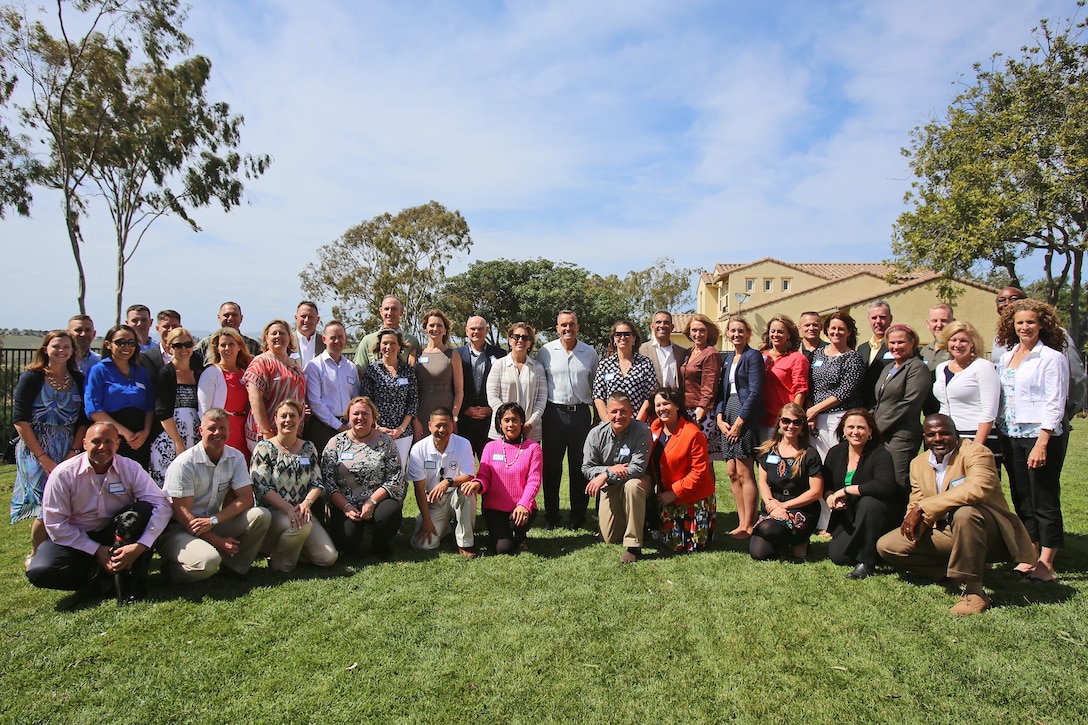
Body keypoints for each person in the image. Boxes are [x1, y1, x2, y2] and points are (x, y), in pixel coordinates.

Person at [877, 415, 1041, 615]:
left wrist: (923, 508)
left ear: (956, 434)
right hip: (947, 530)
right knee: (888, 546)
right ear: (925, 438)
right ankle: (952, 574)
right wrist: (917, 519)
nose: (938, 438)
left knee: (965, 513)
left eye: (944, 433)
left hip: (989, 531)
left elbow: (977, 489)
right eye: (931, 435)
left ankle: (974, 592)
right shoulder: (918, 464)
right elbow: (916, 499)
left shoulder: (977, 453)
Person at [25, 422, 171, 600]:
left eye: (109, 442)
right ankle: (95, 580)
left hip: (116, 533)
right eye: (96, 442)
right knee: (41, 571)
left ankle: (132, 574)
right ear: (85, 444)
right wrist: (96, 550)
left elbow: (161, 504)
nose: (102, 447)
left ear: (117, 444)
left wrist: (142, 545)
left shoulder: (131, 468)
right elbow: (56, 524)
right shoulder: (63, 474)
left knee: (144, 509)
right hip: (77, 537)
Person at [995, 299, 1069, 582]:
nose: (1025, 327)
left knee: (1044, 498)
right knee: (1022, 497)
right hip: (1011, 434)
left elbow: (1055, 402)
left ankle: (1047, 563)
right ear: (1012, 327)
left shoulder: (1051, 358)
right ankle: (1030, 554)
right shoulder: (1007, 356)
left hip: (1039, 436)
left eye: (1030, 322)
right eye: (1020, 323)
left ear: (1042, 325)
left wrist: (1043, 441)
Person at [158, 409, 272, 582]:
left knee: (261, 515)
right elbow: (182, 514)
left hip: (209, 522)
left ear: (229, 430)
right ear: (201, 431)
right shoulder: (184, 464)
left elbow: (246, 498)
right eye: (211, 428)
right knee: (209, 561)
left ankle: (235, 569)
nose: (217, 432)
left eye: (222, 428)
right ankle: (171, 571)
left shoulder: (235, 457)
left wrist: (214, 520)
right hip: (177, 529)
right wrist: (217, 542)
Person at [11, 331, 88, 561]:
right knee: (45, 507)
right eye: (56, 346)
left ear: (73, 351)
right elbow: (19, 420)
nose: (61, 350)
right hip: (34, 449)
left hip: (68, 448)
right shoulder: (32, 377)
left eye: (67, 346)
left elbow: (84, 420)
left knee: (65, 503)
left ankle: (58, 551)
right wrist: (43, 457)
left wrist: (73, 451)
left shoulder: (78, 379)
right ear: (46, 349)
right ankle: (37, 554)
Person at [249, 400, 337, 572]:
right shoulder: (264, 448)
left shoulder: (308, 447)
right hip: (274, 513)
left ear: (300, 419)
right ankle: (280, 564)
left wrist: (306, 504)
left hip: (302, 511)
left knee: (328, 557)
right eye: (283, 416)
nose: (288, 420)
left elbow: (317, 482)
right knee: (301, 526)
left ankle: (281, 548)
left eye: (292, 416)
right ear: (275, 419)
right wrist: (289, 509)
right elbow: (262, 487)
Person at [823, 408, 905, 579]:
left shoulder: (880, 454)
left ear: (870, 431)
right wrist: (830, 497)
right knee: (838, 556)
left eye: (861, 427)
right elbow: (827, 484)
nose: (855, 432)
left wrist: (847, 490)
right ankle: (876, 550)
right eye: (850, 427)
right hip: (851, 515)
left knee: (869, 502)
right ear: (843, 430)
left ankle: (867, 563)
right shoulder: (835, 453)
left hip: (881, 514)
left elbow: (885, 486)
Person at [322, 397, 407, 559]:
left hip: (377, 501)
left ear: (374, 418)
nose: (360, 417)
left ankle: (379, 545)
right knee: (346, 544)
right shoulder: (336, 443)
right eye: (355, 414)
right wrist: (346, 507)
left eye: (365, 414)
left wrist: (372, 502)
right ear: (348, 417)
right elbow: (328, 481)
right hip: (345, 503)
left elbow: (395, 478)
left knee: (390, 513)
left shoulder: (386, 442)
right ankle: (354, 536)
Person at [537, 310, 598, 530]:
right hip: (553, 414)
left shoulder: (589, 353)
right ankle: (551, 516)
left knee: (580, 467)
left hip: (581, 414)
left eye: (571, 324)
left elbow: (596, 387)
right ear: (557, 328)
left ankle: (577, 517)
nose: (567, 329)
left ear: (578, 326)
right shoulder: (546, 351)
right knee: (552, 468)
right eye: (563, 325)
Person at [582, 392, 652, 563]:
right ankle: (638, 520)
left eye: (623, 412)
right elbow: (587, 467)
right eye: (614, 412)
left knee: (632, 486)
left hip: (638, 481)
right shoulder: (596, 434)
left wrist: (605, 474)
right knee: (608, 537)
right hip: (612, 484)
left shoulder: (643, 431)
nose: (618, 416)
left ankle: (633, 545)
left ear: (631, 412)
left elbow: (637, 468)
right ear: (607, 413)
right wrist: (610, 471)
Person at [464, 402, 543, 555]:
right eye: (506, 420)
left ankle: (520, 536)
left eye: (514, 420)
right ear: (500, 423)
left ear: (521, 422)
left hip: (521, 507)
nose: (511, 424)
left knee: (516, 524)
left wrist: (524, 505)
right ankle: (505, 535)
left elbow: (534, 480)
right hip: (494, 508)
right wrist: (477, 484)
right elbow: (484, 476)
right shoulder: (490, 447)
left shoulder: (533, 448)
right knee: (503, 549)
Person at [750, 403, 824, 562]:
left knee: (767, 528)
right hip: (773, 505)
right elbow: (763, 482)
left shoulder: (809, 454)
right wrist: (772, 505)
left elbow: (816, 492)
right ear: (779, 423)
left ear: (803, 425)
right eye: (786, 421)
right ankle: (787, 541)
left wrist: (784, 506)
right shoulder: (768, 450)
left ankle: (800, 540)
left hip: (801, 508)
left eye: (797, 422)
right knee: (759, 553)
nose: (791, 426)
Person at [649, 387, 716, 553]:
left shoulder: (693, 434)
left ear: (677, 405)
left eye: (666, 404)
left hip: (693, 498)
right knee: (669, 543)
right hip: (667, 496)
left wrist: (674, 493)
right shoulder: (655, 428)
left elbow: (699, 472)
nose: (661, 408)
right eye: (658, 405)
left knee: (687, 547)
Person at [715, 315, 763, 539]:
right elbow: (721, 393)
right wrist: (719, 417)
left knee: (745, 472)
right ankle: (740, 522)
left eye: (740, 331)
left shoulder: (753, 357)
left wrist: (739, 422)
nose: (736, 334)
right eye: (732, 331)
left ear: (748, 334)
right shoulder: (728, 360)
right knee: (732, 472)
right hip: (728, 413)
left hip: (745, 414)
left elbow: (754, 392)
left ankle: (750, 524)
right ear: (727, 334)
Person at [408, 407, 478, 557]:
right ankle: (446, 527)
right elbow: (419, 490)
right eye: (437, 425)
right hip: (433, 501)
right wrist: (426, 520)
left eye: (446, 425)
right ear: (429, 426)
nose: (442, 429)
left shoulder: (463, 444)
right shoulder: (418, 449)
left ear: (453, 425)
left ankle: (465, 543)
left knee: (467, 491)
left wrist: (447, 482)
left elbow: (469, 476)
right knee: (423, 545)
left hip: (455, 496)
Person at [84, 324, 155, 467]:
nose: (126, 347)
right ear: (108, 344)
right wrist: (125, 434)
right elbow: (93, 409)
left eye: (131, 343)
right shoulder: (98, 370)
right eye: (120, 342)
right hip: (109, 439)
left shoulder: (141, 372)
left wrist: (145, 433)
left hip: (139, 440)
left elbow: (150, 405)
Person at [871, 323, 931, 487]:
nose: (895, 347)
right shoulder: (889, 368)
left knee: (898, 480)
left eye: (900, 342)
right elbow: (880, 401)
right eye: (892, 343)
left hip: (901, 435)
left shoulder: (917, 368)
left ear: (912, 342)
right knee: (882, 478)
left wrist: (877, 427)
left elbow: (909, 404)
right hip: (882, 433)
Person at [932, 321, 1000, 459]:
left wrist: (976, 446)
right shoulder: (941, 368)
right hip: (948, 436)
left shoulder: (983, 367)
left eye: (963, 341)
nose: (957, 345)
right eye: (953, 340)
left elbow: (989, 411)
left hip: (976, 436)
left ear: (972, 343)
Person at [806, 311, 865, 461]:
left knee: (837, 459)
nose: (836, 332)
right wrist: (811, 411)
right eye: (833, 328)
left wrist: (815, 409)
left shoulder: (853, 357)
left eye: (841, 329)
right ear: (826, 330)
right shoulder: (818, 354)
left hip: (839, 417)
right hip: (816, 419)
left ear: (849, 332)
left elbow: (845, 391)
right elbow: (811, 385)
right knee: (818, 461)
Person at [149, 327, 204, 487]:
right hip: (169, 437)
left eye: (187, 344)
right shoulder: (165, 374)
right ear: (168, 348)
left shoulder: (199, 373)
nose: (183, 349)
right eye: (177, 345)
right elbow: (162, 412)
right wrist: (178, 443)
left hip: (195, 436)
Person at [242, 319, 307, 452]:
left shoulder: (295, 364)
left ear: (290, 337)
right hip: (266, 434)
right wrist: (267, 432)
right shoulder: (261, 362)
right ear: (266, 338)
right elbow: (255, 399)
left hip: (290, 432)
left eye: (282, 333)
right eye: (274, 333)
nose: (278, 336)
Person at [360, 327, 419, 466]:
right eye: (385, 343)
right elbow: (365, 402)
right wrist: (377, 427)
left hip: (403, 433)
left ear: (399, 346)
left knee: (400, 471)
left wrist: (401, 428)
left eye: (393, 343)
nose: (388, 347)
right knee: (378, 470)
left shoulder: (408, 371)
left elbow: (413, 401)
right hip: (377, 432)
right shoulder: (372, 371)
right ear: (379, 346)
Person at [303, 320, 359, 459]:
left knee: (347, 464)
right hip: (323, 426)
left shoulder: (351, 367)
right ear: (324, 339)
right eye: (333, 337)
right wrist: (338, 426)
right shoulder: (314, 367)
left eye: (340, 337)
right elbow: (315, 401)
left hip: (348, 425)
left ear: (345, 339)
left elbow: (356, 398)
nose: (337, 341)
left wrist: (348, 423)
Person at [196, 327, 253, 461]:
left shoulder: (245, 373)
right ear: (217, 348)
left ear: (239, 347)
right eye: (223, 345)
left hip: (243, 432)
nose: (227, 348)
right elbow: (204, 410)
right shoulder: (211, 373)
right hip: (222, 432)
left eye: (231, 344)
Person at [486, 322, 548, 444]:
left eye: (525, 338)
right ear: (510, 340)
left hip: (530, 431)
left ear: (530, 343)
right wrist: (508, 421)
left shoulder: (538, 368)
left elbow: (541, 400)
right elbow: (492, 396)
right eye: (516, 337)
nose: (520, 340)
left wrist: (529, 424)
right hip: (502, 430)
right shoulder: (499, 365)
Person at [456, 315, 506, 459]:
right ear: (466, 331)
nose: (476, 332)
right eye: (473, 328)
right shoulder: (456, 355)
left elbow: (503, 387)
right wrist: (465, 409)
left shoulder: (500, 354)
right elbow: (454, 386)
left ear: (487, 331)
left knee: (492, 465)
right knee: (464, 468)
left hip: (490, 422)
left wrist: (491, 408)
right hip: (464, 422)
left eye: (480, 329)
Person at [413, 309, 464, 440]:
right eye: (431, 325)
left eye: (439, 325)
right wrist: (414, 419)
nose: (435, 328)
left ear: (445, 330)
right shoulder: (416, 354)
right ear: (425, 328)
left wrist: (453, 417)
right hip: (421, 412)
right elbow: (410, 391)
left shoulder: (453, 355)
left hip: (446, 410)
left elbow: (459, 391)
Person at [592, 319, 657, 421]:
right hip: (612, 423)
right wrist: (609, 424)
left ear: (634, 338)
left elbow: (649, 396)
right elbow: (598, 396)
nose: (622, 337)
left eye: (627, 334)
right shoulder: (605, 365)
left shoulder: (645, 364)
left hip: (637, 423)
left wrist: (637, 424)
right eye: (618, 334)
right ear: (614, 339)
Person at [758, 315, 809, 440]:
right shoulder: (761, 356)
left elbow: (800, 390)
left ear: (789, 335)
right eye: (773, 331)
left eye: (780, 332)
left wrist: (792, 419)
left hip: (781, 421)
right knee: (763, 459)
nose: (776, 335)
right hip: (760, 419)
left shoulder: (797, 358)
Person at [678, 313, 722, 449]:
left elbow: (709, 388)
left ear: (709, 332)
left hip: (701, 413)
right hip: (686, 410)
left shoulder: (711, 354)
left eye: (702, 330)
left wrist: (698, 416)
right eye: (694, 330)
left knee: (703, 459)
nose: (698, 334)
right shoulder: (689, 352)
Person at [352, 295, 421, 367]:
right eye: (386, 309)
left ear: (401, 312)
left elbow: (417, 370)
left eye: (394, 309)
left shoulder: (412, 341)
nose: (390, 313)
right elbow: (359, 371)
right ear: (381, 312)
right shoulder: (367, 341)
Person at [194, 301, 262, 361]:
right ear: (219, 318)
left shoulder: (253, 344)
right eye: (226, 315)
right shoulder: (206, 344)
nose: (230, 318)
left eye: (234, 315)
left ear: (241, 318)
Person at [856, 300, 894, 408]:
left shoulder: (898, 348)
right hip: (864, 407)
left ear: (890, 319)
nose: (878, 321)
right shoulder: (862, 348)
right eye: (874, 318)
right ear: (868, 320)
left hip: (887, 407)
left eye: (882, 317)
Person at [640, 310, 689, 391]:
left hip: (674, 401)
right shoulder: (641, 350)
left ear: (672, 327)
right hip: (650, 401)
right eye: (658, 322)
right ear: (652, 326)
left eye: (666, 322)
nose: (662, 325)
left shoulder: (681, 352)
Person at [139, 309, 182, 383]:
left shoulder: (191, 357)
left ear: (180, 328)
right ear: (158, 329)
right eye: (166, 326)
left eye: (174, 326)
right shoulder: (146, 358)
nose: (170, 330)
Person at [920, 304, 954, 371]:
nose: (939, 325)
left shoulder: (957, 350)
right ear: (928, 324)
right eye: (934, 321)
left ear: (953, 322)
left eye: (944, 320)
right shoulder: (924, 351)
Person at [293, 301, 324, 368]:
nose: (306, 320)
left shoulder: (325, 343)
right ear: (296, 318)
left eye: (310, 317)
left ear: (317, 320)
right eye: (303, 316)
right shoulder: (286, 342)